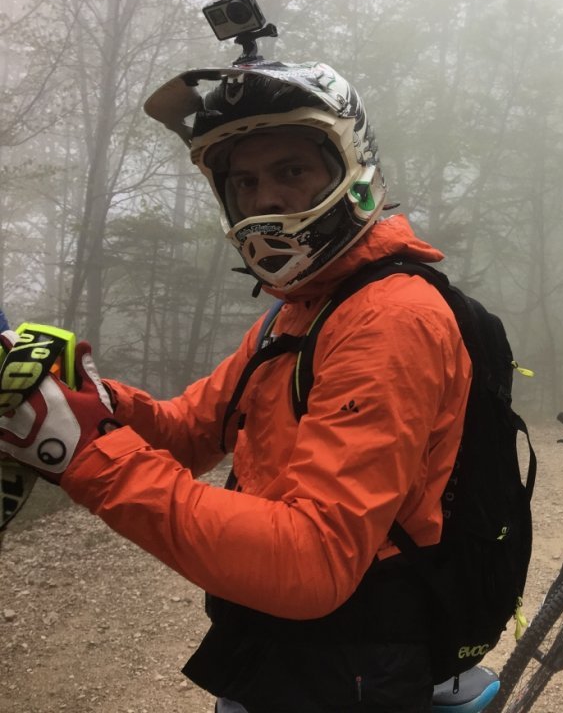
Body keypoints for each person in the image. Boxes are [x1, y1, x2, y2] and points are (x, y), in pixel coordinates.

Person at [0, 58, 472, 712]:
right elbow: (189, 433)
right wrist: (90, 400)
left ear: (350, 168)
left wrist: (83, 453)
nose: (265, 199)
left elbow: (315, 561)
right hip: (275, 640)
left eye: (290, 171)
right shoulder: (301, 309)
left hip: (351, 664)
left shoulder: (390, 318)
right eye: (245, 181)